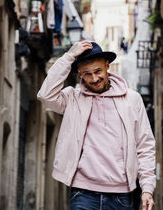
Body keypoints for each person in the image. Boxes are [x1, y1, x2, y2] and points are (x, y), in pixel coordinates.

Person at [37, 40, 156, 210]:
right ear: (80, 74)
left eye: (98, 71)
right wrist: (69, 57)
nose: (94, 79)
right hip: (83, 193)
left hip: (121, 195)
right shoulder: (73, 99)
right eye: (87, 74)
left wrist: (147, 189)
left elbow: (145, 146)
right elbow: (45, 95)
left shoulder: (132, 99)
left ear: (107, 65)